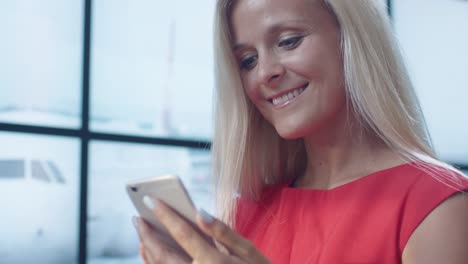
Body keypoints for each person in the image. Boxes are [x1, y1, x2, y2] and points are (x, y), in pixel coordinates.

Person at [134, 0, 468, 263]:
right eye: (247, 61)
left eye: (288, 41)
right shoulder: (245, 215)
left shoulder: (438, 205)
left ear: (352, 37)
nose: (265, 72)